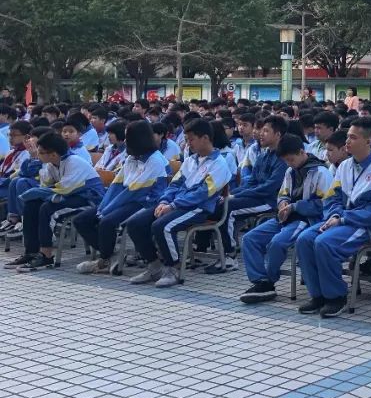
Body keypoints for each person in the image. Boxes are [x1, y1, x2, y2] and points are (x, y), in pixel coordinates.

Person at [295, 117, 371, 317]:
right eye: (347, 137)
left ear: (368, 142)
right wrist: (334, 215)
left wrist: (342, 218)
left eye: (353, 138)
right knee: (304, 239)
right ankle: (318, 295)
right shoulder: (345, 166)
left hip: (368, 226)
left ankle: (336, 296)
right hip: (340, 220)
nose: (347, 141)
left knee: (325, 243)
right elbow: (331, 198)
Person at [123, 120, 232, 287]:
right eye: (187, 140)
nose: (187, 144)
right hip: (176, 204)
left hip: (198, 209)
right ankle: (154, 266)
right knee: (135, 223)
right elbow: (175, 184)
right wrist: (165, 200)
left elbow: (202, 193)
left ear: (205, 138)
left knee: (162, 226)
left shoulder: (219, 164)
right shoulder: (190, 160)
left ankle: (173, 268)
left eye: (191, 139)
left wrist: (173, 206)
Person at [239, 134, 334, 304]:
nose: (289, 164)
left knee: (277, 242)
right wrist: (283, 202)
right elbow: (283, 193)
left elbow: (323, 204)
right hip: (285, 217)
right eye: (286, 161)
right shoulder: (290, 171)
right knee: (250, 238)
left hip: (306, 220)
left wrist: (295, 207)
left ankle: (269, 281)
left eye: (291, 159)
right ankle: (260, 280)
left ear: (301, 152)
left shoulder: (321, 172)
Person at [73, 121, 169, 274]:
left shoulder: (155, 160)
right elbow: (117, 184)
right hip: (126, 197)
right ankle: (111, 254)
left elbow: (136, 190)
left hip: (145, 201)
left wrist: (109, 208)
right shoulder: (132, 158)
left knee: (106, 221)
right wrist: (105, 205)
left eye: (128, 137)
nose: (125, 141)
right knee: (81, 220)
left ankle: (104, 258)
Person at [5, 131, 105, 271]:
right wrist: (39, 190)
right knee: (32, 205)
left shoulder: (74, 162)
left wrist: (40, 192)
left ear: (53, 154)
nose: (38, 155)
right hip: (68, 196)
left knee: (47, 208)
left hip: (88, 199)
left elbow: (65, 188)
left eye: (40, 152)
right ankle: (31, 252)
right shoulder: (52, 164)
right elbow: (45, 184)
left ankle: (46, 256)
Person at [212, 115, 289, 273]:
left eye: (266, 131)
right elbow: (252, 181)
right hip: (255, 197)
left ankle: (230, 256)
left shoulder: (283, 158)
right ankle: (223, 252)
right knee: (222, 203)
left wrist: (236, 196)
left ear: (278, 135)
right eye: (261, 130)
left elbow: (270, 187)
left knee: (229, 209)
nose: (261, 133)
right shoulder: (263, 155)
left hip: (269, 201)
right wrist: (233, 193)